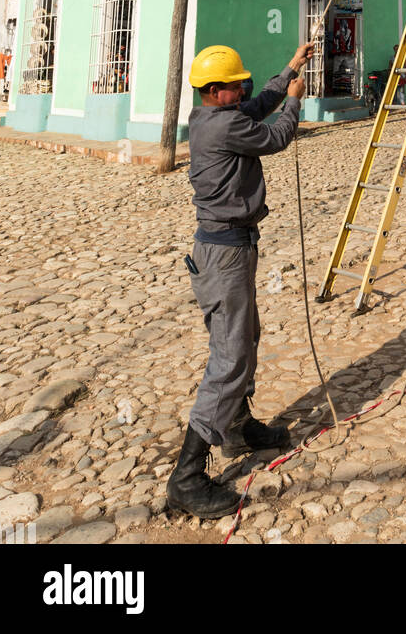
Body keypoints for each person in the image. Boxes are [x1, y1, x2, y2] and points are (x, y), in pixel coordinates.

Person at [166, 40, 314, 519]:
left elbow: (255, 106)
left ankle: (238, 425)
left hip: (231, 249)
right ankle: (186, 478)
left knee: (244, 338)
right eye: (235, 84)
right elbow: (274, 136)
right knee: (229, 357)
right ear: (215, 90)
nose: (243, 88)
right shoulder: (226, 125)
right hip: (224, 254)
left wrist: (289, 67)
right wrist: (295, 98)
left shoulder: (211, 116)